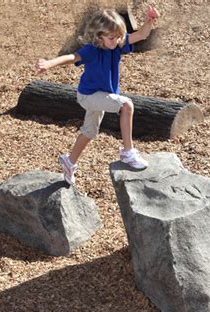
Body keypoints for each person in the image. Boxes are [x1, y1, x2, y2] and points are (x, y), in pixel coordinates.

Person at [36, 5, 160, 184]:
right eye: (112, 37)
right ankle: (128, 152)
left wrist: (150, 20)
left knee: (89, 132)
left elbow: (141, 35)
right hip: (89, 96)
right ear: (99, 36)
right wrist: (49, 63)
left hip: (101, 96)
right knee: (126, 105)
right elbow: (72, 57)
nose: (117, 40)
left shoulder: (117, 45)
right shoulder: (92, 50)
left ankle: (69, 162)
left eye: (118, 36)